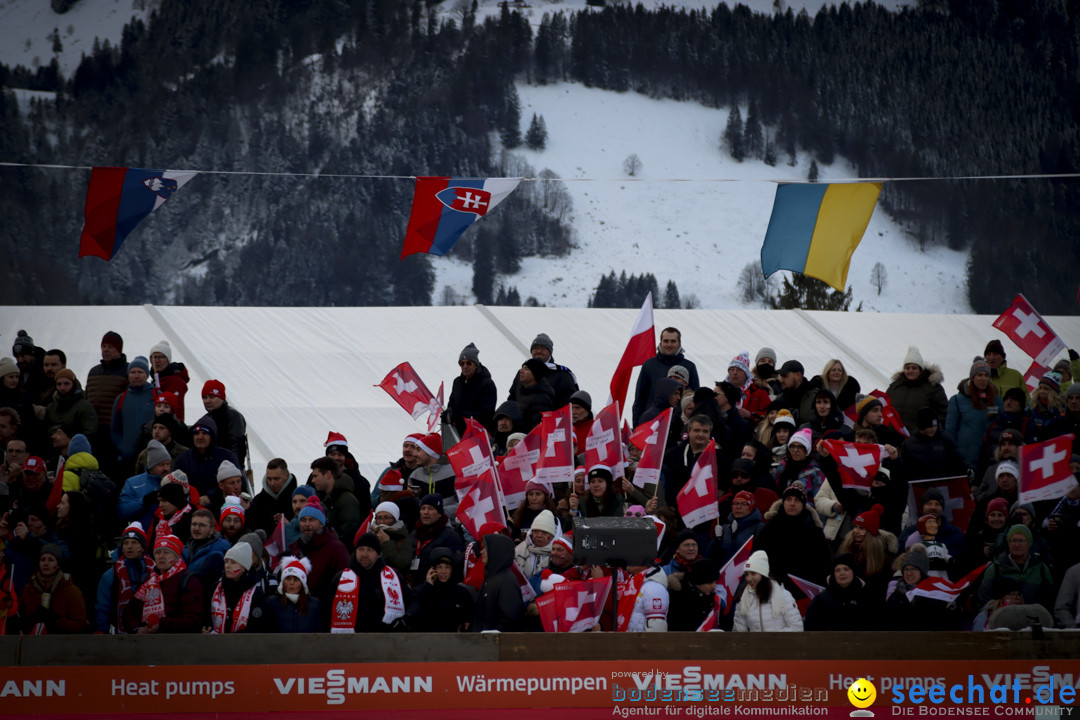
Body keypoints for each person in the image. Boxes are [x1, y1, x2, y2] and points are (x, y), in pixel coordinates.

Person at [754, 485, 831, 591]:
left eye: (797, 500)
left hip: (804, 588)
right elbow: (758, 557)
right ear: (783, 502)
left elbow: (823, 563)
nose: (792, 503)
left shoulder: (814, 531)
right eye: (788, 499)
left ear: (803, 504)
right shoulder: (769, 528)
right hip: (774, 587)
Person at [329, 532, 409, 633]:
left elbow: (410, 600)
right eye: (361, 549)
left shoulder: (393, 577)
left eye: (369, 550)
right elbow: (328, 610)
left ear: (378, 554)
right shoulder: (340, 579)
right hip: (350, 641)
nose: (364, 554)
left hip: (385, 639)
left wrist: (404, 620)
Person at [125, 534, 203, 634]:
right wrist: (137, 628)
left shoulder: (189, 581)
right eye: (157, 553)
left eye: (166, 552)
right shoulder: (147, 581)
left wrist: (161, 625)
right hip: (145, 642)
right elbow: (129, 612)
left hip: (176, 643)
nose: (161, 556)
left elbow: (194, 620)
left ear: (176, 557)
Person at [978, 525, 1055, 612]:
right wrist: (1001, 603)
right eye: (1013, 540)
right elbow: (983, 601)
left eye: (1021, 541)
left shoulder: (1041, 569)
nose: (1017, 545)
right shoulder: (995, 568)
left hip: (1033, 620)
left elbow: (1050, 601)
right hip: (1002, 621)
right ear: (1008, 543)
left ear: (1029, 543)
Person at [94, 522, 154, 634]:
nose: (129, 546)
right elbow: (102, 607)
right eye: (126, 543)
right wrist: (101, 630)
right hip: (119, 632)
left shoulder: (154, 571)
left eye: (134, 542)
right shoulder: (110, 575)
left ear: (142, 547)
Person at [946, 357, 1004, 470]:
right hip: (965, 458)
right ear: (973, 377)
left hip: (990, 457)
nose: (983, 379)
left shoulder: (996, 400)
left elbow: (1002, 425)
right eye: (979, 375)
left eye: (986, 375)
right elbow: (950, 432)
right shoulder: (957, 401)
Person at [288, 497, 350, 603]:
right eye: (303, 520)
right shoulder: (295, 547)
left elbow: (346, 582)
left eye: (311, 520)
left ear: (321, 523)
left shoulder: (336, 548)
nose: (307, 524)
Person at [633, 327, 699, 425]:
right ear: (660, 342)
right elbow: (639, 399)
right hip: (652, 422)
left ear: (679, 343)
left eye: (673, 341)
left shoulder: (689, 366)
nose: (669, 345)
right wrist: (636, 427)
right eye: (666, 341)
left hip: (680, 423)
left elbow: (696, 398)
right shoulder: (649, 365)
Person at [84, 331, 128, 473]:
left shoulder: (128, 371)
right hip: (94, 433)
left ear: (119, 350)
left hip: (114, 434)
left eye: (110, 346)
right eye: (104, 346)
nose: (106, 350)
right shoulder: (93, 372)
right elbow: (86, 399)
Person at [19, 543, 88, 634]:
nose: (46, 564)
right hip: (33, 644)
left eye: (51, 560)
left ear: (58, 564)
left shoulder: (70, 591)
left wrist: (55, 620)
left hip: (62, 645)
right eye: (42, 559)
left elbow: (81, 626)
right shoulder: (28, 589)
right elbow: (21, 621)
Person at [205, 543, 273, 633]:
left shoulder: (256, 594)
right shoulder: (214, 588)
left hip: (243, 645)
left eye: (233, 562)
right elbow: (205, 616)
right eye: (226, 561)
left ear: (244, 567)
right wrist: (206, 627)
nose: (228, 566)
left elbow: (257, 626)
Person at [173, 416, 240, 505]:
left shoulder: (226, 456)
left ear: (212, 436)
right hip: (190, 506)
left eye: (205, 433)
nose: (200, 437)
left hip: (221, 506)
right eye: (196, 433)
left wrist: (210, 496)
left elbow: (237, 483)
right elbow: (174, 483)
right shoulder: (183, 458)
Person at [408, 546, 475, 632]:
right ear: (433, 569)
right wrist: (427, 586)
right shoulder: (422, 590)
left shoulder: (462, 593)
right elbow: (413, 613)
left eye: (447, 567)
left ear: (452, 569)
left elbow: (470, 618)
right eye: (439, 567)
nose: (443, 571)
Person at [732, 550, 802, 631]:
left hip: (779, 643)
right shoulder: (744, 599)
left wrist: (771, 638)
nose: (749, 578)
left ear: (763, 574)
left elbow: (797, 628)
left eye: (753, 573)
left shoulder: (784, 596)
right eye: (747, 574)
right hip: (755, 644)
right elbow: (739, 632)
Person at [110, 356, 156, 477]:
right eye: (133, 372)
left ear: (146, 375)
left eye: (140, 372)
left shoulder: (156, 396)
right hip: (127, 458)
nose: (136, 375)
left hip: (152, 457)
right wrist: (122, 447)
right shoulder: (122, 398)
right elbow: (115, 428)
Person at [886, 346, 948, 433]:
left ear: (921, 370)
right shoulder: (895, 387)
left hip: (920, 440)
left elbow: (943, 413)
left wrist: (933, 432)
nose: (910, 371)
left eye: (914, 368)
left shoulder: (933, 388)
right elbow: (885, 408)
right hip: (893, 437)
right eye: (907, 368)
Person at [803, 553, 871, 631]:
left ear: (853, 572)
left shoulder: (865, 597)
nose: (842, 573)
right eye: (837, 570)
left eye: (846, 569)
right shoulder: (821, 599)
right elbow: (810, 628)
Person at [117, 439, 173, 532]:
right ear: (151, 465)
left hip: (167, 539)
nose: (166, 468)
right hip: (141, 538)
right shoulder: (133, 483)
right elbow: (122, 512)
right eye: (161, 465)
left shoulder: (174, 482)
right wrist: (144, 501)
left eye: (168, 464)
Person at [472, 532, 524, 632]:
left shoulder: (507, 582)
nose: (481, 552)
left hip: (496, 644)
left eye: (485, 549)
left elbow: (510, 618)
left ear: (496, 551)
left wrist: (491, 635)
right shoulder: (492, 577)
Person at [408, 494, 464, 585]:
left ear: (439, 513)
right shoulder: (414, 534)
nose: (426, 512)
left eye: (430, 508)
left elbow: (455, 566)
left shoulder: (451, 536)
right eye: (423, 508)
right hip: (414, 587)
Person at [311, 456, 363, 551]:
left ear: (328, 475)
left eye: (315, 476)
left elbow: (348, 535)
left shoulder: (347, 501)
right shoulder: (323, 499)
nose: (312, 480)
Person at [661, 414, 712, 508]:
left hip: (704, 511)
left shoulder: (717, 457)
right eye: (697, 430)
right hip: (675, 509)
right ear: (689, 431)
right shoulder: (672, 455)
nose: (700, 434)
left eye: (705, 431)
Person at [447, 343, 498, 435]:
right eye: (462, 363)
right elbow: (451, 403)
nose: (465, 366)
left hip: (478, 433)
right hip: (458, 431)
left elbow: (486, 414)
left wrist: (461, 416)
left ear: (476, 365)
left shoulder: (487, 384)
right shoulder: (457, 382)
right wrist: (449, 413)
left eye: (468, 363)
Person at [265, 555, 323, 633]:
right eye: (288, 579)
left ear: (302, 583)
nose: (291, 583)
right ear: (283, 581)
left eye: (296, 579)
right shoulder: (271, 602)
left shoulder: (314, 604)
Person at [182, 508, 231, 598]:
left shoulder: (220, 550)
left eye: (202, 525)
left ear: (212, 530)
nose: (196, 528)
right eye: (194, 524)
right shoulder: (183, 549)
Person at [200, 380, 248, 470]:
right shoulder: (206, 418)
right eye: (204, 397)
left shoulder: (233, 416)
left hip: (228, 470)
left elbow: (237, 445)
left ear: (222, 398)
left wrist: (234, 469)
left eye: (212, 397)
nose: (207, 401)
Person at [246, 458, 298, 537]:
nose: (272, 483)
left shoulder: (298, 500)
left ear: (287, 476)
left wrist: (288, 525)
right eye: (269, 479)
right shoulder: (258, 500)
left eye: (276, 479)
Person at [43, 368, 98, 440]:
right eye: (59, 384)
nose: (62, 388)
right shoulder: (51, 408)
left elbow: (90, 433)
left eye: (66, 384)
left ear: (73, 384)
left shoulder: (85, 407)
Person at [668, 558, 722, 631]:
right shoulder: (679, 598)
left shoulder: (712, 598)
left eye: (715, 582)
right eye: (710, 583)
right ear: (699, 582)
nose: (714, 586)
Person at [148, 340, 190, 422]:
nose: (157, 361)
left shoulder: (175, 381)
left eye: (160, 357)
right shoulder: (154, 380)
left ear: (167, 359)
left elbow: (177, 410)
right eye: (154, 357)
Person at [511, 358, 556, 432]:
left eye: (526, 369)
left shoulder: (542, 399)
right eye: (522, 368)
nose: (521, 371)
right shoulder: (519, 391)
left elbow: (537, 428)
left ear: (535, 373)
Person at [513, 509, 557, 580]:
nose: (539, 535)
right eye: (536, 532)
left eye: (544, 532)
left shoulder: (557, 554)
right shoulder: (518, 550)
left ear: (551, 536)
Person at [370, 501, 411, 575]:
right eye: (379, 518)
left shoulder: (402, 538)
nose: (382, 521)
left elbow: (402, 564)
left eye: (386, 518)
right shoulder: (371, 535)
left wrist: (386, 543)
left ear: (394, 519)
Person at [983, 340, 1028, 406]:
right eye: (988, 354)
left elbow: (1027, 402)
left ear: (1003, 357)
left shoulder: (1015, 376)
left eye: (995, 354)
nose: (991, 358)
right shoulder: (979, 376)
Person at [776, 360, 818, 425]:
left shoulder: (816, 398)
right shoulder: (779, 400)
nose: (781, 380)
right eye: (781, 377)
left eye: (785, 376)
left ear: (798, 375)